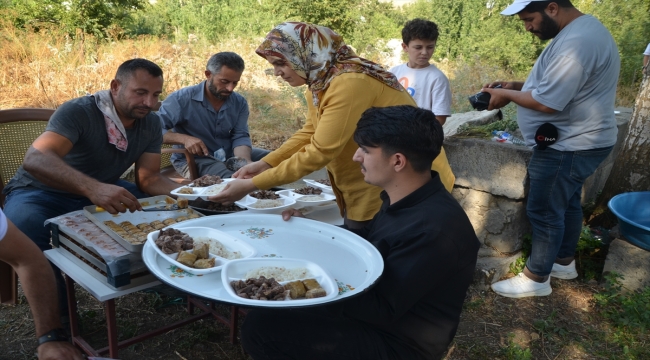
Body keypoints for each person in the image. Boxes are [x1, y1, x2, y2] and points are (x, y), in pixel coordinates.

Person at [241, 105, 479, 360]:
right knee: (270, 309)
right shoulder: (406, 198)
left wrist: (310, 277)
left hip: (397, 341)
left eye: (365, 150)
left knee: (263, 326)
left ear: (397, 161)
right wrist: (311, 231)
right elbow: (365, 242)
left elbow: (380, 308)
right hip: (373, 313)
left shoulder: (432, 230)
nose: (356, 157)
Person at [210, 22, 455, 229]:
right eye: (274, 65)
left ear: (306, 54)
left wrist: (251, 185)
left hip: (404, 181)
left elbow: (321, 150)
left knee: (383, 258)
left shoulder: (349, 83)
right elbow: (311, 131)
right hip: (371, 180)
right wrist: (266, 163)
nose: (277, 73)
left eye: (281, 63)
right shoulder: (319, 82)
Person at [2, 58, 182, 319]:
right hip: (39, 191)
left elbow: (150, 179)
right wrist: (93, 188)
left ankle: (158, 277)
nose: (149, 103)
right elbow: (35, 159)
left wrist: (193, 192)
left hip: (101, 187)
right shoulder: (79, 112)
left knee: (162, 212)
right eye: (140, 93)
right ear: (115, 86)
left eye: (155, 95)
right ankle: (59, 322)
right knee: (25, 224)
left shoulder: (151, 123)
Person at [483, 0, 620, 298]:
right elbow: (559, 87)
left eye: (529, 19)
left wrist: (504, 94)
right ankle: (563, 262)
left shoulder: (579, 42)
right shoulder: (581, 32)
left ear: (553, 8)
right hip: (583, 139)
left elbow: (548, 102)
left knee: (544, 209)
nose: (528, 27)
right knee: (567, 202)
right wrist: (517, 85)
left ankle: (536, 278)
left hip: (570, 144)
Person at [158, 52, 269, 178]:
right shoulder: (180, 99)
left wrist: (244, 162)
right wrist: (185, 139)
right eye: (224, 81)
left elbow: (240, 135)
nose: (230, 88)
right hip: (194, 160)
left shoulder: (239, 102)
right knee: (232, 177)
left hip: (229, 153)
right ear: (208, 75)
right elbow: (153, 130)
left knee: (277, 160)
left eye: (235, 83)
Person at [0, 209, 83, 360]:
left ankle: (62, 322)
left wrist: (50, 337)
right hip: (33, 189)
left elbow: (27, 260)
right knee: (24, 220)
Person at [390, 18, 452, 125]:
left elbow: (439, 118)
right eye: (418, 47)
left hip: (420, 138)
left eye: (430, 47)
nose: (424, 52)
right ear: (405, 47)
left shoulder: (437, 78)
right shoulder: (393, 73)